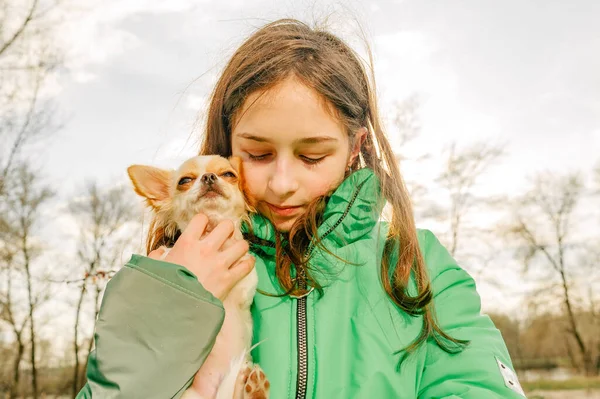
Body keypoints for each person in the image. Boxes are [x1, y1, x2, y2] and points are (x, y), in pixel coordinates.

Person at [77, 19, 526, 399]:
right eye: (257, 154)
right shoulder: (169, 270)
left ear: (356, 149)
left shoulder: (417, 265)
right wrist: (171, 300)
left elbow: (478, 383)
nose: (283, 183)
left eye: (312, 157)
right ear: (228, 146)